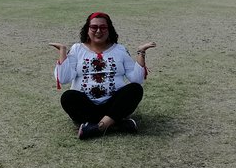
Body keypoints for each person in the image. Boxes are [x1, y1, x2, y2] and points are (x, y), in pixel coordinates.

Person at [49, 12, 156, 140]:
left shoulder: (119, 50)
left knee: (135, 89)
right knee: (68, 97)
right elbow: (63, 78)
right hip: (87, 105)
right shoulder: (77, 49)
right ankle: (116, 124)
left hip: (113, 104)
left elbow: (137, 79)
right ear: (87, 29)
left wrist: (141, 52)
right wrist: (63, 52)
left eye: (103, 27)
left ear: (109, 29)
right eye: (94, 27)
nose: (98, 31)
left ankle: (96, 127)